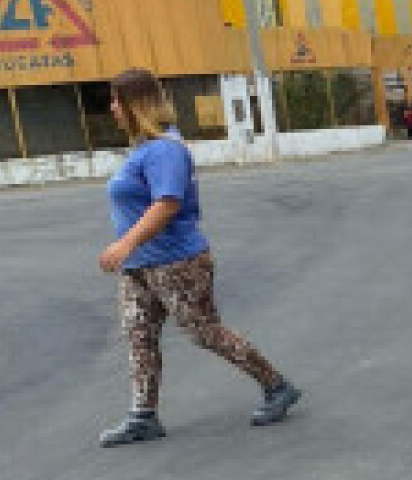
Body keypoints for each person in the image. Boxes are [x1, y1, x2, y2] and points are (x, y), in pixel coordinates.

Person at [98, 68, 298, 446]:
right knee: (139, 335)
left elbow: (167, 203)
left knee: (205, 331)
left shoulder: (164, 150)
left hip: (176, 261)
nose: (111, 109)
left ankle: (277, 386)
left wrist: (125, 244)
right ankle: (143, 414)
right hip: (140, 265)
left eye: (116, 101)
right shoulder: (143, 147)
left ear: (135, 104)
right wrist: (130, 253)